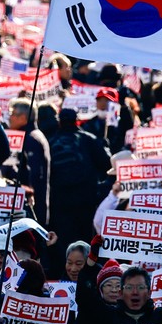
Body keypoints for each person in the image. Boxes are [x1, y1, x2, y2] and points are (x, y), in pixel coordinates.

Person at [46, 109, 111, 278]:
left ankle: (64, 278)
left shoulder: (50, 141)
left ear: (60, 121)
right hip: (86, 203)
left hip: (59, 204)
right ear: (76, 120)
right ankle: (87, 276)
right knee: (85, 243)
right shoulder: (89, 139)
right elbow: (106, 165)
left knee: (63, 244)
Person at [6, 98, 50, 225]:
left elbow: (34, 174)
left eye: (12, 114)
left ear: (23, 117)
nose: (9, 118)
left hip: (30, 206)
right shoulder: (34, 135)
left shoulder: (30, 138)